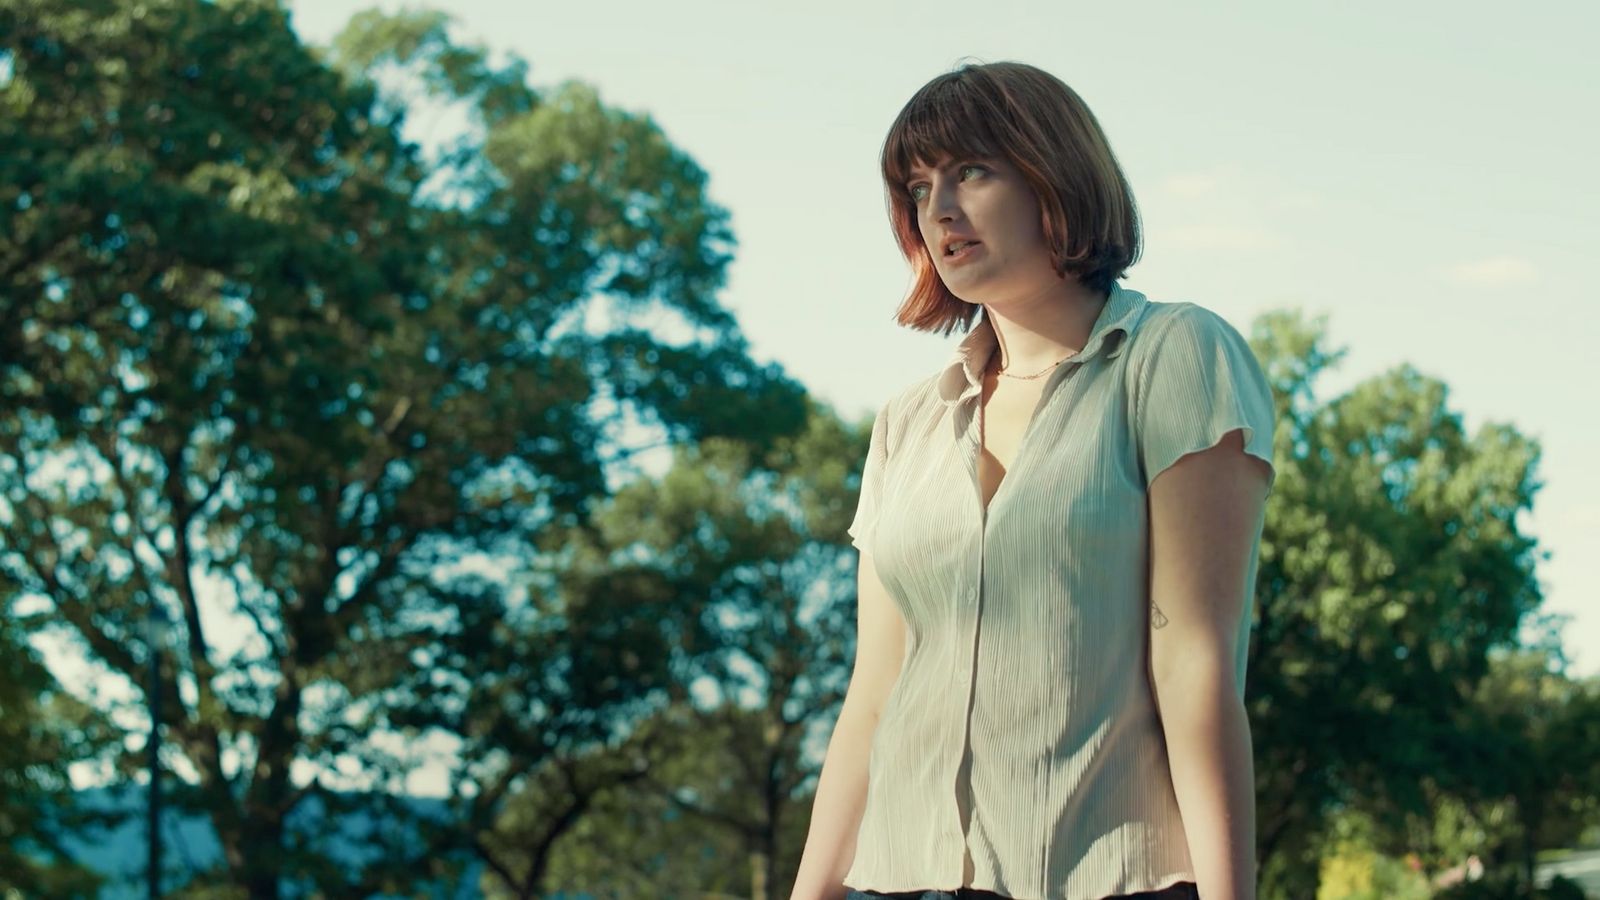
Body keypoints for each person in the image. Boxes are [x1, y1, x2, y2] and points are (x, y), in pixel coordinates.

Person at [787, 61, 1277, 900]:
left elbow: (1195, 658)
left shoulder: (1174, 357)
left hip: (1109, 879)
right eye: (917, 186)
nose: (938, 208)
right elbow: (874, 694)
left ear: (1053, 173)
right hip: (901, 882)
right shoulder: (907, 423)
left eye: (970, 170)